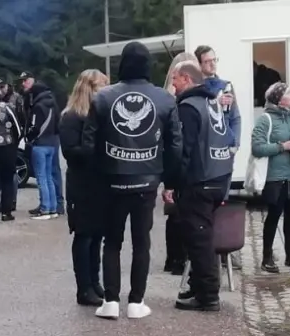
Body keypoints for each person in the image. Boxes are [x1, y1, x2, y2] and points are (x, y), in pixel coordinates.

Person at [81, 41, 180, 321]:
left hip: (111, 182)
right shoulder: (164, 99)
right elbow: (175, 145)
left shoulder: (102, 98)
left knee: (111, 242)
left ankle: (111, 301)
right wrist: (170, 182)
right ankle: (136, 302)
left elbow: (88, 145)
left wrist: (98, 175)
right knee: (142, 242)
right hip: (146, 182)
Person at [165, 61, 233, 312]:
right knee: (200, 236)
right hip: (219, 176)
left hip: (200, 179)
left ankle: (207, 296)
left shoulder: (188, 107)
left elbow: (183, 150)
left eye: (175, 78)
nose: (172, 83)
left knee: (200, 239)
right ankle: (197, 284)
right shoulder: (212, 102)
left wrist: (172, 183)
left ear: (186, 78)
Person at [252, 82, 290, 273]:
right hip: (276, 178)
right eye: (289, 93)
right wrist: (282, 147)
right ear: (279, 99)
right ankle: (267, 257)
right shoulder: (265, 120)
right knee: (273, 216)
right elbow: (257, 147)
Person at [60, 68, 109, 307]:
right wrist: (94, 149)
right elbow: (70, 152)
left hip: (99, 182)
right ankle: (84, 287)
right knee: (84, 235)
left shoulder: (99, 115)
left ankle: (95, 281)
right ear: (89, 88)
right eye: (101, 86)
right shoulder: (71, 117)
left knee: (97, 234)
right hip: (81, 183)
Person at [161, 50, 198, 276]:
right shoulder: (171, 97)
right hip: (176, 159)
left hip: (186, 160)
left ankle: (181, 256)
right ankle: (174, 257)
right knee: (174, 212)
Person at [25, 78, 61, 219]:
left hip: (40, 144)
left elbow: (35, 127)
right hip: (52, 143)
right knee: (49, 177)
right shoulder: (54, 104)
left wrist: (28, 136)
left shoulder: (38, 106)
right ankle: (53, 208)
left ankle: (45, 208)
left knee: (41, 178)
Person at [0, 88, 23, 222]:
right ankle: (6, 212)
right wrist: (14, 145)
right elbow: (18, 130)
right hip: (8, 149)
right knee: (7, 180)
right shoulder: (8, 108)